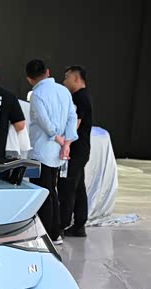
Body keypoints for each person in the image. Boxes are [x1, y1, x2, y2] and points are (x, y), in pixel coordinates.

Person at [25, 59, 78, 244]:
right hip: (58, 151)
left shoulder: (37, 94)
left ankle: (46, 234)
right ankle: (55, 233)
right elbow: (72, 117)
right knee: (52, 191)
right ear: (47, 72)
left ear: (29, 78)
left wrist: (58, 139)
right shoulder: (63, 91)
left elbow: (44, 121)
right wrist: (67, 143)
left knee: (42, 193)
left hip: (42, 150)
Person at [58, 65, 93, 237]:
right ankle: (79, 224)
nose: (64, 81)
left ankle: (62, 224)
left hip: (76, 150)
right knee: (78, 187)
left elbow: (75, 124)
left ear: (77, 79)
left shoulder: (79, 98)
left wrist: (64, 142)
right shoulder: (82, 96)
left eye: (67, 78)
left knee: (68, 187)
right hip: (81, 149)